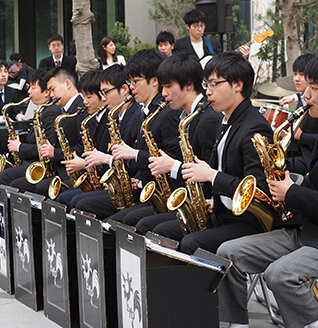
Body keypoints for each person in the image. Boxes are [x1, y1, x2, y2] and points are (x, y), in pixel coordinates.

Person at [216, 51, 318, 328]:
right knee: (227, 253)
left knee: (280, 275)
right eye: (307, 86)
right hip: (311, 229)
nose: (306, 95)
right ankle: (237, 324)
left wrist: (291, 192)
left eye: (315, 88)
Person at [151, 52, 272, 254]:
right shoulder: (226, 120)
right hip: (224, 213)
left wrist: (212, 176)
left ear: (238, 85)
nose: (208, 92)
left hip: (248, 221)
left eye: (214, 84)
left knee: (191, 243)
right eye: (207, 85)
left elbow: (257, 191)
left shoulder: (254, 128)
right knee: (160, 231)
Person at [138, 53, 223, 237]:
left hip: (207, 207)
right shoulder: (183, 116)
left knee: (149, 227)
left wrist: (172, 167)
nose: (164, 93)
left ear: (189, 84)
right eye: (163, 87)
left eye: (169, 86)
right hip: (189, 199)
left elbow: (209, 172)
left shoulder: (207, 118)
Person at [107, 49, 184, 227]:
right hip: (148, 189)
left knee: (125, 222)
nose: (131, 87)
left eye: (136, 81)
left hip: (166, 194)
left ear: (154, 81)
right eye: (130, 81)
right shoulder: (148, 111)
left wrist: (134, 155)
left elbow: (172, 158)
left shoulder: (166, 112)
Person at [74, 64, 143, 219]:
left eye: (105, 92)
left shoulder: (135, 117)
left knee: (80, 203)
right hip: (122, 184)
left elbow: (134, 163)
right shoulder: (119, 115)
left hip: (135, 190)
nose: (103, 98)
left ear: (124, 89)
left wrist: (106, 160)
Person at [9, 67, 86, 196]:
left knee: (37, 188)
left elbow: (82, 147)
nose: (51, 94)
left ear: (67, 84)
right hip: (59, 169)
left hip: (71, 172)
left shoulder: (80, 109)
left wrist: (54, 153)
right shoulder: (64, 110)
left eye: (53, 89)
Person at [0, 68, 58, 186]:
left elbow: (42, 148)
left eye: (33, 87)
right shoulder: (42, 110)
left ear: (46, 92)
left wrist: (19, 146)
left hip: (38, 166)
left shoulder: (50, 112)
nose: (29, 92)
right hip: (30, 164)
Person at [56, 69, 109, 209]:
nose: (84, 102)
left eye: (89, 97)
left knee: (74, 201)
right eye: (83, 96)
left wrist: (85, 163)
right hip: (96, 176)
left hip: (106, 181)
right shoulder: (95, 117)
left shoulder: (108, 119)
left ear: (102, 95)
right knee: (64, 197)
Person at [278, 53, 318, 175]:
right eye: (295, 74)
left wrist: (301, 136)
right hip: (297, 152)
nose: (296, 78)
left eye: (301, 75)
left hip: (310, 158)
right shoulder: (302, 99)